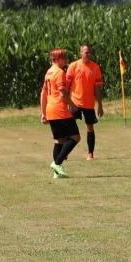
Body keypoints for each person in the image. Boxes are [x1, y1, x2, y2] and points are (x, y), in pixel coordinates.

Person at [40, 48, 80, 177]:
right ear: (57, 59)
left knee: (59, 140)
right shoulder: (59, 73)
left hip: (50, 110)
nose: (66, 60)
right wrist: (73, 106)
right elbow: (63, 94)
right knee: (75, 137)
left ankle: (56, 173)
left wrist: (43, 112)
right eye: (64, 57)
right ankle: (57, 163)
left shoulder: (48, 72)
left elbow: (43, 93)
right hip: (60, 110)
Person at [68, 43, 105, 161]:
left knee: (90, 128)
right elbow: (67, 86)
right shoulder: (73, 66)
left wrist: (100, 105)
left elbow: (97, 88)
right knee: (69, 128)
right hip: (75, 103)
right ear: (80, 53)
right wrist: (67, 102)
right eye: (85, 52)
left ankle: (90, 153)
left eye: (89, 52)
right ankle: (65, 153)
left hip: (89, 104)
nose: (87, 54)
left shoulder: (95, 68)